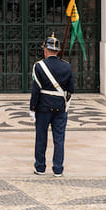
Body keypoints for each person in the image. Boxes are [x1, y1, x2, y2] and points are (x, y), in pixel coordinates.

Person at [30, 34, 75, 177]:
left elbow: (36, 89)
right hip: (60, 107)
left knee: (41, 138)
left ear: (45, 50)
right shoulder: (67, 66)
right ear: (57, 51)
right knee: (59, 139)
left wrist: (32, 108)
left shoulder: (39, 66)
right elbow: (71, 89)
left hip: (43, 107)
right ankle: (58, 168)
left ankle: (40, 167)